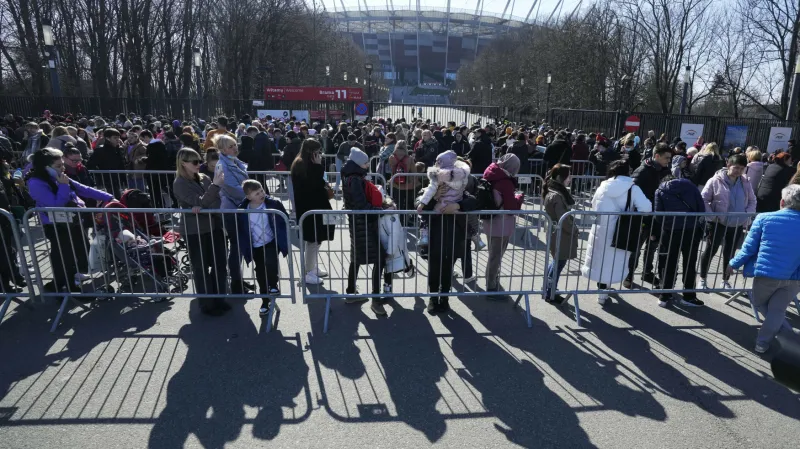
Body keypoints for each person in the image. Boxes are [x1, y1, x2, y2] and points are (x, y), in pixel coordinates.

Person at [26, 148, 114, 293]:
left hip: (73, 221)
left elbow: (83, 188)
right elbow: (55, 205)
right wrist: (63, 185)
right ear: (45, 167)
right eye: (58, 166)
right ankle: (64, 287)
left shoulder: (60, 176)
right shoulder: (36, 183)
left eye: (62, 164)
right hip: (56, 226)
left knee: (79, 252)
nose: (63, 168)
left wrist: (109, 197)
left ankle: (65, 283)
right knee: (64, 257)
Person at [729, 184, 800, 353]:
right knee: (778, 310)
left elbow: (749, 247)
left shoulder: (764, 218)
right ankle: (763, 342)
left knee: (760, 303)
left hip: (768, 273)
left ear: (782, 201)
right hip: (795, 276)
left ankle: (787, 335)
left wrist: (734, 263)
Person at [581, 160, 652, 305]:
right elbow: (646, 207)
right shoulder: (633, 188)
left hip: (601, 228)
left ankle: (601, 288)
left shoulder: (603, 186)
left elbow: (595, 204)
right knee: (614, 260)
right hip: (621, 230)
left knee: (601, 258)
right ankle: (605, 288)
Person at [172, 148, 230, 316]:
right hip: (194, 230)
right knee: (201, 267)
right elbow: (201, 201)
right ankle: (207, 304)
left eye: (199, 161)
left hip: (213, 226)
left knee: (219, 264)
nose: (199, 165)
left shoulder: (204, 178)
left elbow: (213, 201)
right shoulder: (180, 183)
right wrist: (209, 194)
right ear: (183, 163)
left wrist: (204, 203)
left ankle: (220, 298)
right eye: (195, 162)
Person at [341, 148, 392, 316]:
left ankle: (350, 293)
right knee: (379, 258)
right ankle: (376, 301)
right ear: (357, 163)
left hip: (357, 223)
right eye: (365, 163)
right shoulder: (355, 179)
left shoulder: (349, 176)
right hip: (364, 223)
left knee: (356, 258)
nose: (367, 166)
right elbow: (362, 205)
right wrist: (381, 209)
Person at [698, 154, 757, 290]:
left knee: (729, 252)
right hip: (717, 222)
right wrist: (712, 216)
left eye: (742, 168)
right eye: (736, 167)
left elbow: (753, 201)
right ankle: (702, 278)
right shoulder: (715, 181)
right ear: (728, 165)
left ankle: (725, 280)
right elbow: (704, 199)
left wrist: (746, 215)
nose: (739, 171)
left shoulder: (745, 182)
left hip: (737, 223)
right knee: (711, 250)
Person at [237, 180, 289, 317]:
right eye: (257, 193)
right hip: (255, 245)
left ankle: (273, 285)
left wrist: (284, 232)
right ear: (249, 197)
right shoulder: (242, 210)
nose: (261, 194)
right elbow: (240, 229)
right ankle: (264, 301)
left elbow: (285, 218)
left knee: (271, 262)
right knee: (260, 272)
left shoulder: (273, 204)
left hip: (271, 241)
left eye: (261, 191)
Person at [624, 143, 672, 289]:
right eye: (666, 158)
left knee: (652, 247)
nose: (668, 160)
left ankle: (647, 273)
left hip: (658, 216)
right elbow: (632, 193)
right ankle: (629, 274)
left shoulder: (665, 170)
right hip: (642, 217)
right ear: (656, 156)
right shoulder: (642, 171)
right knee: (636, 248)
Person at [654, 174, 706, 308]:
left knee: (668, 262)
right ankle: (689, 295)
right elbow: (701, 207)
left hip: (670, 231)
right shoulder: (691, 186)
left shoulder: (660, 190)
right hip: (690, 229)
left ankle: (665, 294)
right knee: (689, 262)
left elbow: (658, 214)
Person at [291, 138, 335, 285]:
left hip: (315, 207)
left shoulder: (305, 163)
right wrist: (318, 167)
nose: (320, 154)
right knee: (313, 241)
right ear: (311, 152)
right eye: (317, 152)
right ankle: (307, 273)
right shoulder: (301, 165)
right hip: (309, 209)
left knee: (317, 240)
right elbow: (312, 186)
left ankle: (312, 268)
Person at [214, 134, 254, 295]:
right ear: (223, 149)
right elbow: (232, 188)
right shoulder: (222, 165)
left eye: (235, 145)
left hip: (239, 208)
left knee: (239, 247)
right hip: (231, 210)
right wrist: (252, 198)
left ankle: (238, 280)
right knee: (237, 248)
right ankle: (237, 284)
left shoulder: (234, 161)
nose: (235, 148)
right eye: (231, 146)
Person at [482, 154, 524, 299]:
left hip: (489, 221)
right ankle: (491, 286)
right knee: (496, 256)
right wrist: (519, 197)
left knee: (493, 254)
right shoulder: (506, 182)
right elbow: (512, 207)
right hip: (502, 223)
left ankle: (491, 281)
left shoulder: (491, 173)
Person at [543, 164, 577, 305]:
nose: (570, 178)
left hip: (557, 231)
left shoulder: (553, 190)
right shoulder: (557, 195)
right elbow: (563, 218)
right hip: (561, 233)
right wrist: (574, 230)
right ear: (560, 177)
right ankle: (550, 291)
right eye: (568, 175)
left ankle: (549, 289)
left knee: (557, 261)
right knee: (559, 262)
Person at [87, 128, 127, 197]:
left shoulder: (119, 149)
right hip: (106, 181)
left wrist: (124, 180)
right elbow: (90, 164)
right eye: (115, 138)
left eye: (118, 137)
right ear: (108, 138)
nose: (118, 139)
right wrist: (100, 175)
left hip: (119, 180)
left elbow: (122, 164)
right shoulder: (100, 150)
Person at [388, 140, 417, 213]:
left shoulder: (391, 157)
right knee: (407, 204)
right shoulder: (409, 159)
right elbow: (414, 171)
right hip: (408, 185)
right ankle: (406, 220)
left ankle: (398, 220)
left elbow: (390, 170)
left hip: (395, 183)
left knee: (397, 203)